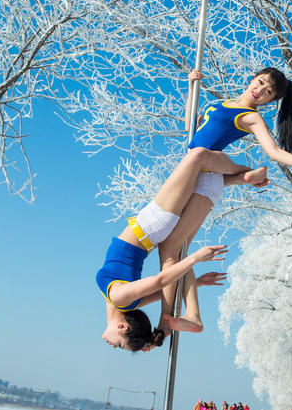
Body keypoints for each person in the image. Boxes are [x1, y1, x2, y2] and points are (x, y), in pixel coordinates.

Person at [98, 147, 268, 352]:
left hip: (154, 231)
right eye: (119, 345)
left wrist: (155, 335)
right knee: (198, 157)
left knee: (201, 177)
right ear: (123, 326)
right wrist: (195, 265)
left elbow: (162, 289)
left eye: (119, 346)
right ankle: (246, 174)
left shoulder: (123, 303)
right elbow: (161, 283)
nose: (113, 346)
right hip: (151, 225)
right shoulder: (120, 299)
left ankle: (243, 178)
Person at [184, 68, 292, 200]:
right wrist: (192, 87)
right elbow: (189, 126)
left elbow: (274, 152)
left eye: (268, 91)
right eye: (260, 82)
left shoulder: (252, 117)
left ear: (269, 100)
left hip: (204, 164)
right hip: (190, 164)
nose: (259, 91)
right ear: (252, 79)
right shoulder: (223, 104)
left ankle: (243, 173)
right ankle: (243, 176)